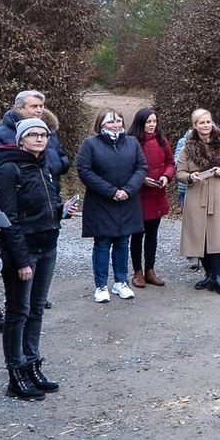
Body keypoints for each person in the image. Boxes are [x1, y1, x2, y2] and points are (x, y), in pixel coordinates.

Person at [0, 117, 68, 399]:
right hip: (24, 252)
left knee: (36, 310)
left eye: (43, 135)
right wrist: (22, 260)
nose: (39, 139)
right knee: (18, 312)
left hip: (48, 246)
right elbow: (7, 219)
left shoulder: (43, 166)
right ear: (20, 140)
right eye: (33, 135)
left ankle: (32, 363)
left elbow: (44, 205)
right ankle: (16, 371)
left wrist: (61, 211)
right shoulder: (9, 170)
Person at [77, 110, 146, 303]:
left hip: (127, 201)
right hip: (101, 202)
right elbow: (85, 171)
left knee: (123, 242)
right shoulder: (91, 144)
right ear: (101, 124)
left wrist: (128, 190)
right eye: (110, 122)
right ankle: (100, 285)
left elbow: (141, 167)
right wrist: (111, 191)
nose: (115, 125)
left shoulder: (132, 142)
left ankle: (120, 282)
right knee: (102, 243)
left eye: (118, 121)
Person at [178, 108, 220, 296]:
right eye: (201, 123)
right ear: (194, 126)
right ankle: (209, 275)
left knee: (219, 236)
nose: (205, 126)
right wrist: (190, 176)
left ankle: (218, 276)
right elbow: (179, 172)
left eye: (208, 122)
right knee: (200, 236)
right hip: (196, 195)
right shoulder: (188, 146)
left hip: (219, 195)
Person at [128, 107, 175, 288]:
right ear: (141, 123)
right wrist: (141, 179)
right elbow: (127, 166)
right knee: (137, 235)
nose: (152, 125)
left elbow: (170, 163)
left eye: (154, 121)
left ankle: (150, 269)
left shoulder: (162, 140)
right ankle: (137, 271)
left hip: (156, 194)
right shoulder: (132, 141)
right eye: (148, 121)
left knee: (152, 234)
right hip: (138, 195)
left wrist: (166, 177)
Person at [0, 90, 70, 181]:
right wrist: (19, 176)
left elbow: (61, 157)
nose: (39, 110)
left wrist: (58, 167)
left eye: (41, 106)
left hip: (50, 187)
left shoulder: (48, 131)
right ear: (19, 108)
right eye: (34, 106)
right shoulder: (0, 134)